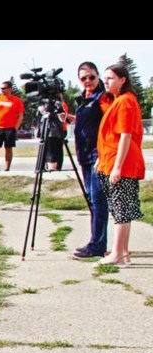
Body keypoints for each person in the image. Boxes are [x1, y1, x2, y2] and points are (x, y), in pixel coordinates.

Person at [96, 64, 144, 266]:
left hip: (121, 163)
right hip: (111, 160)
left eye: (111, 78)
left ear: (122, 79)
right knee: (119, 208)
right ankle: (123, 252)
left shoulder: (125, 101)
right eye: (105, 78)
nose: (106, 82)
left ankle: (116, 253)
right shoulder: (118, 100)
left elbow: (125, 135)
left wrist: (117, 166)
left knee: (121, 208)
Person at [70, 62, 109, 260]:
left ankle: (98, 245)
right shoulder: (83, 98)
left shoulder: (103, 97)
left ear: (98, 76)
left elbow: (109, 125)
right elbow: (89, 122)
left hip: (97, 156)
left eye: (91, 77)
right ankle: (96, 241)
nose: (88, 81)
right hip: (84, 155)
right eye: (83, 78)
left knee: (98, 200)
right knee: (92, 200)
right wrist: (70, 118)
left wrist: (103, 154)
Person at [0, 81, 25, 171]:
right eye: (1, 88)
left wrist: (16, 127)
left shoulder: (16, 100)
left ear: (10, 89)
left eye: (4, 88)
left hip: (10, 128)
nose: (2, 90)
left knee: (8, 148)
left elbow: (21, 115)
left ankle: (7, 168)